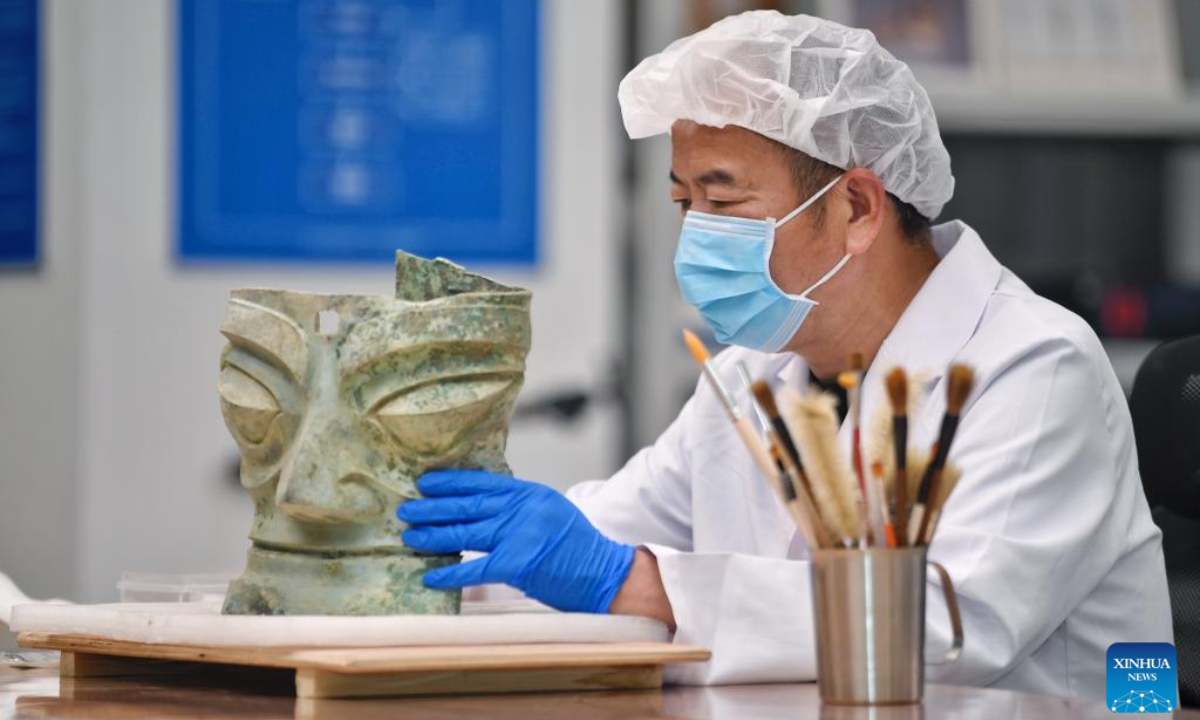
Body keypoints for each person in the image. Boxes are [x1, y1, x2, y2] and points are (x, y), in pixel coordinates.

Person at [397, 11, 1172, 699]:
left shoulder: (1036, 366)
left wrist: (626, 582)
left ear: (858, 207)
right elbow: (599, 538)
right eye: (684, 201)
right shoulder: (751, 376)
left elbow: (948, 625)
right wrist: (416, 556)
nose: (695, 235)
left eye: (723, 200)